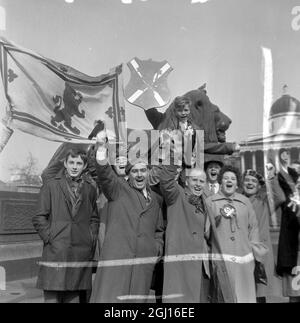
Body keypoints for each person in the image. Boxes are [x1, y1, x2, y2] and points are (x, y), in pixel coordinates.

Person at [90, 129, 164, 303]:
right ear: (129, 175)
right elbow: (105, 174)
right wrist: (101, 147)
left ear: (148, 173)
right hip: (117, 262)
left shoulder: (156, 199)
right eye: (135, 171)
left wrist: (155, 249)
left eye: (143, 170)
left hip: (141, 266)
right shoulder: (118, 189)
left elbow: (159, 230)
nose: (139, 175)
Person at [160, 164, 235, 303]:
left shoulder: (206, 203)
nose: (198, 184)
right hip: (181, 262)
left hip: (202, 263)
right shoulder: (177, 195)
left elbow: (208, 233)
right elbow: (165, 179)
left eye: (202, 181)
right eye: (195, 180)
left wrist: (219, 220)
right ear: (187, 181)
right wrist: (173, 155)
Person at [33, 149, 100, 303]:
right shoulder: (51, 185)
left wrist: (90, 238)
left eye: (79, 163)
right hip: (56, 250)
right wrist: (50, 237)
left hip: (79, 251)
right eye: (71, 162)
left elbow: (94, 218)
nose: (74, 167)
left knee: (74, 297)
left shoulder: (90, 189)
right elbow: (39, 217)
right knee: (52, 296)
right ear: (65, 163)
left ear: (84, 166)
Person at [205, 165, 268, 303]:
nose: (229, 181)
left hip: (244, 258)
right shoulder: (210, 202)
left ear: (237, 183)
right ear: (220, 181)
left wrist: (253, 251)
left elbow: (253, 228)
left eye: (233, 178)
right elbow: (206, 233)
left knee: (245, 296)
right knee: (224, 296)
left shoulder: (244, 202)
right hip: (222, 258)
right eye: (226, 178)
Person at [242, 169, 278, 303]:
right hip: (240, 253)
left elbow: (279, 196)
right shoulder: (235, 200)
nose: (250, 183)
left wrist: (271, 179)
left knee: (259, 295)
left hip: (258, 255)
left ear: (258, 186)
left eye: (254, 181)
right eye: (247, 180)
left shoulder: (263, 202)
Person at [268, 162, 300, 303]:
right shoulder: (289, 201)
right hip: (293, 257)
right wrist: (273, 178)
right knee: (294, 296)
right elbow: (279, 195)